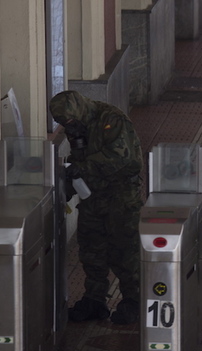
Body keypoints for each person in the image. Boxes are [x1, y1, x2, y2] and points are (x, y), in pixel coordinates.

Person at [49, 90, 143, 325]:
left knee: (125, 251)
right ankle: (95, 300)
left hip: (121, 197)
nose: (68, 126)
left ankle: (135, 301)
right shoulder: (76, 126)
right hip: (92, 197)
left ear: (79, 110)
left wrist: (84, 168)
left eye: (69, 121)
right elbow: (79, 157)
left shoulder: (111, 119)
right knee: (91, 251)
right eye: (63, 123)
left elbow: (124, 159)